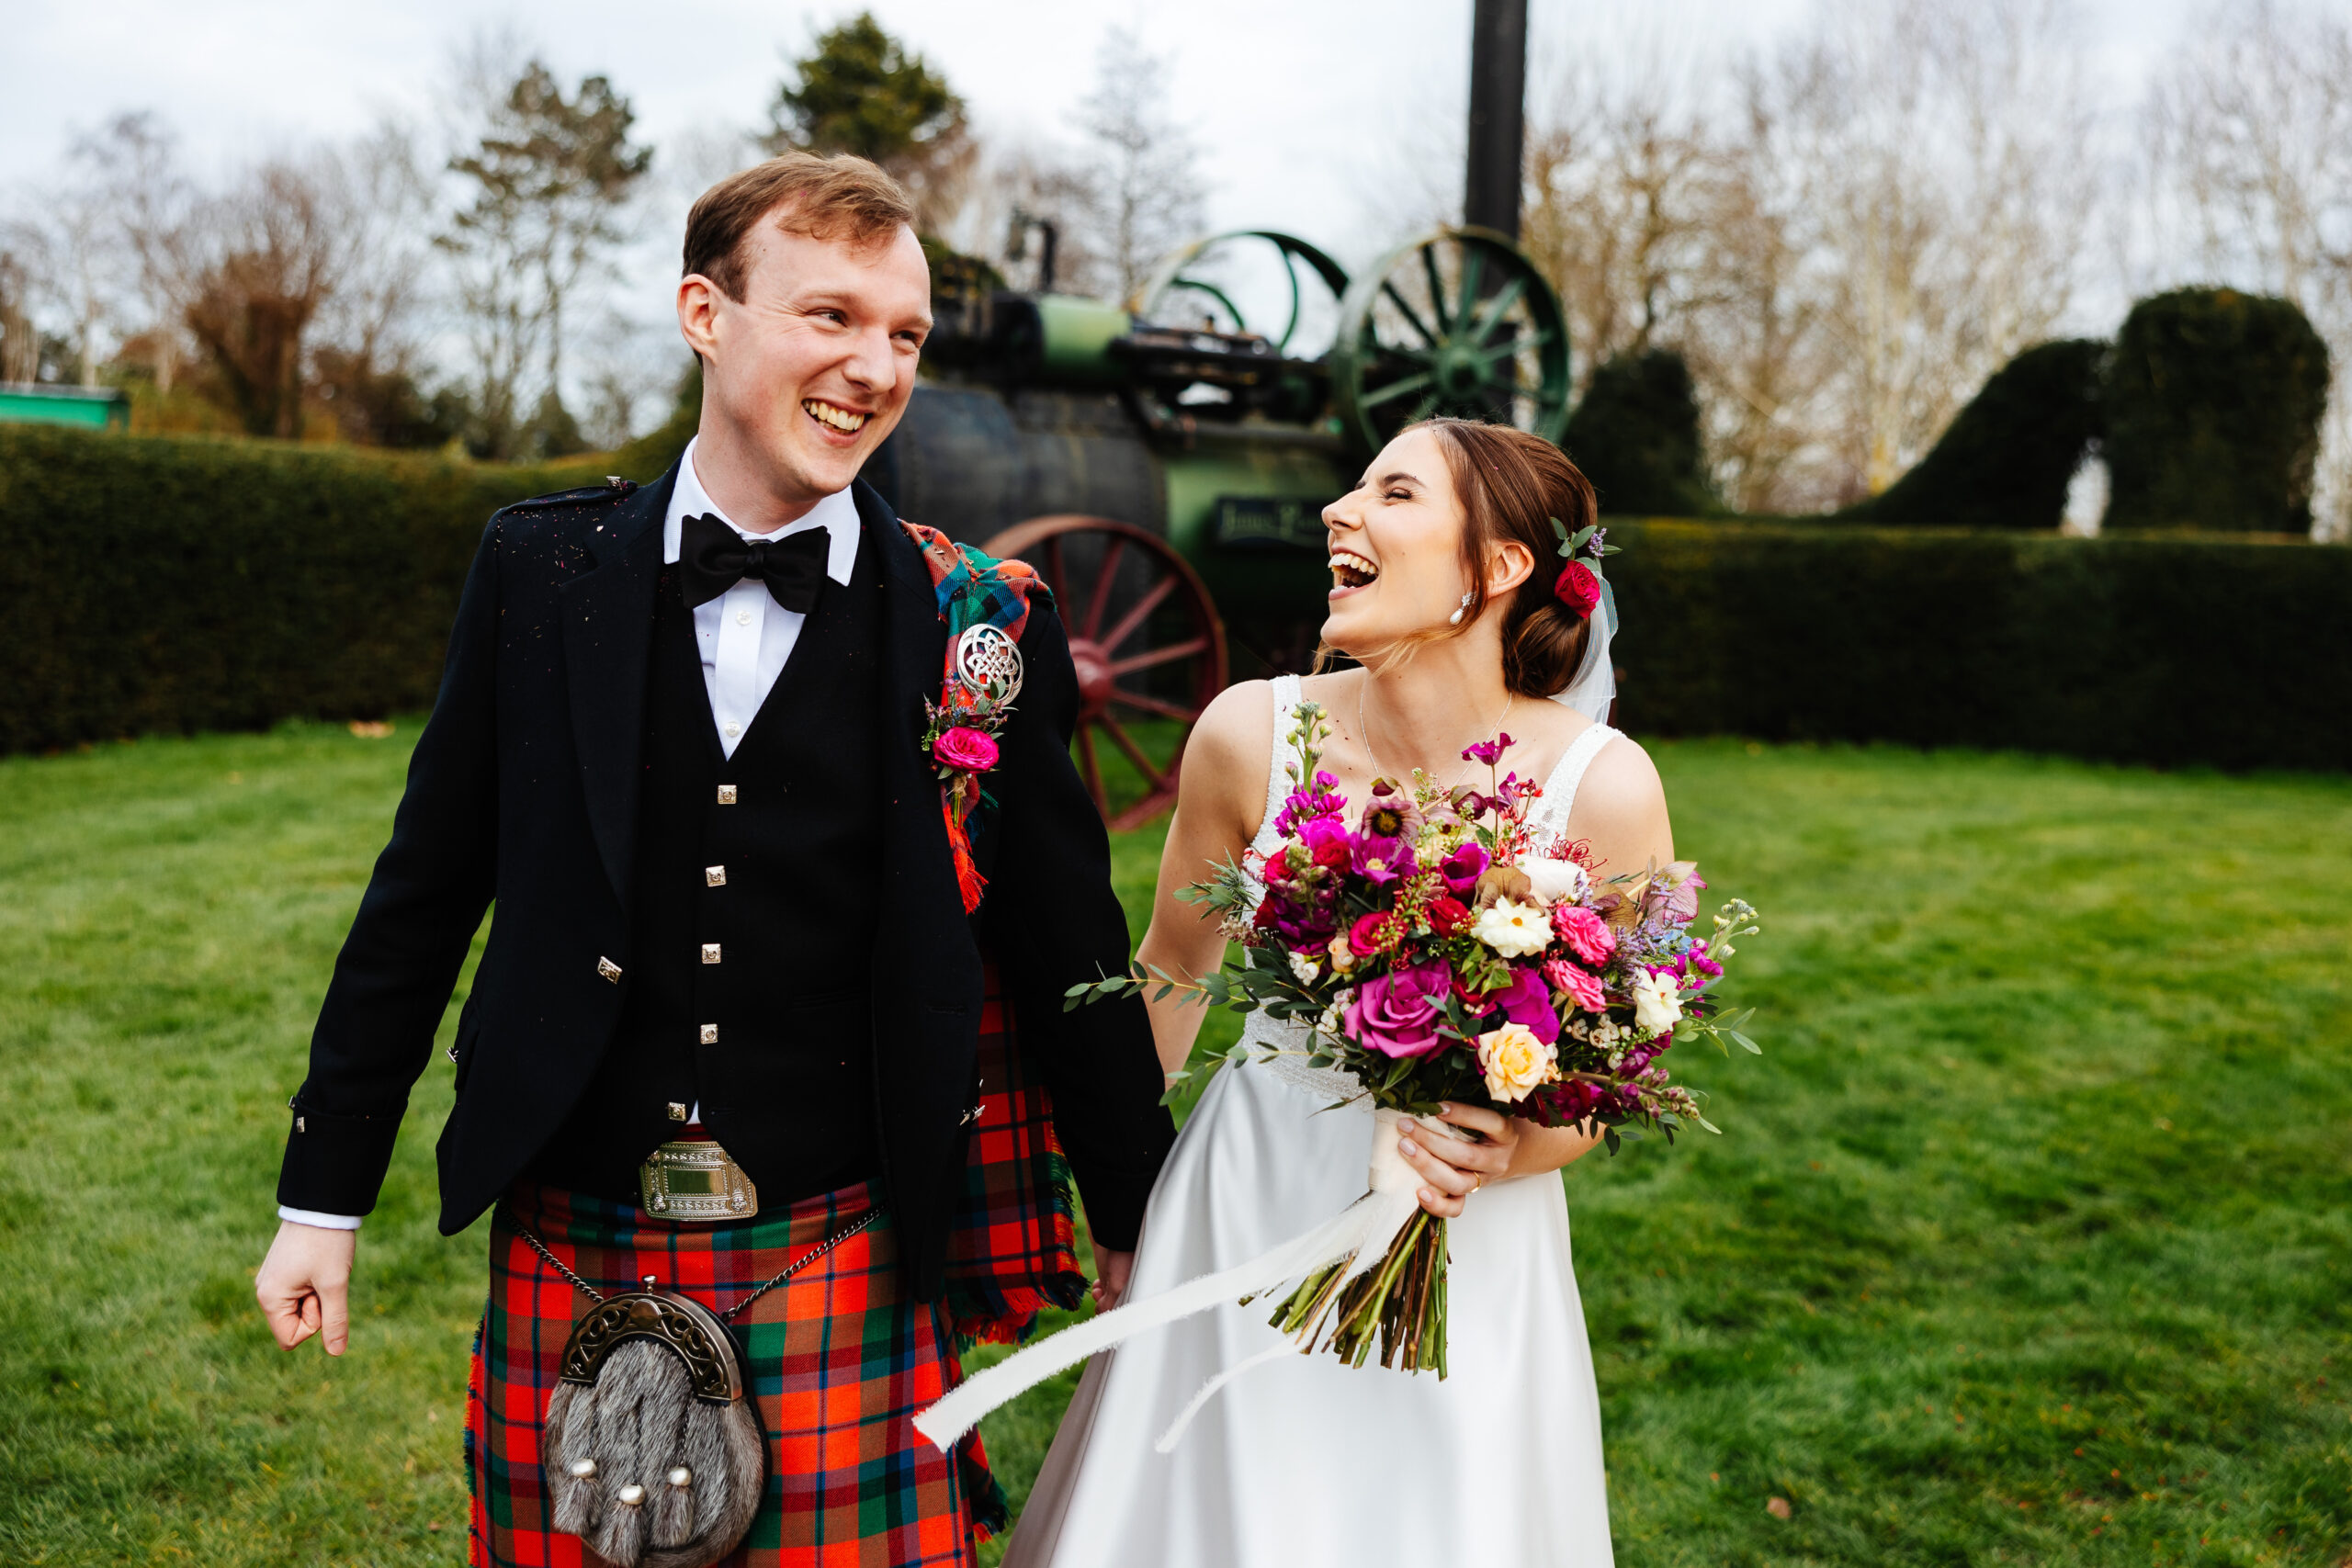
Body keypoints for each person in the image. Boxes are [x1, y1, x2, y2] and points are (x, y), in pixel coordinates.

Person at [252, 152, 1174, 1568]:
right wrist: (324, 1195)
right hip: (577, 1214)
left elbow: (1073, 951)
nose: (875, 366)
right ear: (704, 311)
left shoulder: (980, 618)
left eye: (906, 334)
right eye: (831, 317)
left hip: (844, 1232)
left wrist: (1133, 1212)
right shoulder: (540, 570)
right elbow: (424, 890)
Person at [1004, 419, 1670, 1566]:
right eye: (1353, 487)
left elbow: (1617, 1074)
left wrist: (1510, 1151)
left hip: (1467, 1242)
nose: (1337, 511)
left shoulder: (1598, 787)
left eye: (1394, 493)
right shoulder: (1249, 733)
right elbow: (1173, 969)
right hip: (1242, 1198)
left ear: (1496, 568)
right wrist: (1117, 1194)